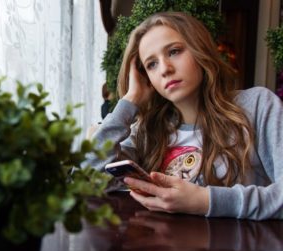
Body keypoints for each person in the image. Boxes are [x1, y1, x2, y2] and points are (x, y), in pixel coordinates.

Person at [84, 12, 283, 220]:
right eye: (151, 64)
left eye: (174, 51)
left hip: (240, 250)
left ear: (199, 49)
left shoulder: (257, 107)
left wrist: (205, 201)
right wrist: (130, 100)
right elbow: (87, 181)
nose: (165, 69)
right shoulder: (148, 131)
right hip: (160, 250)